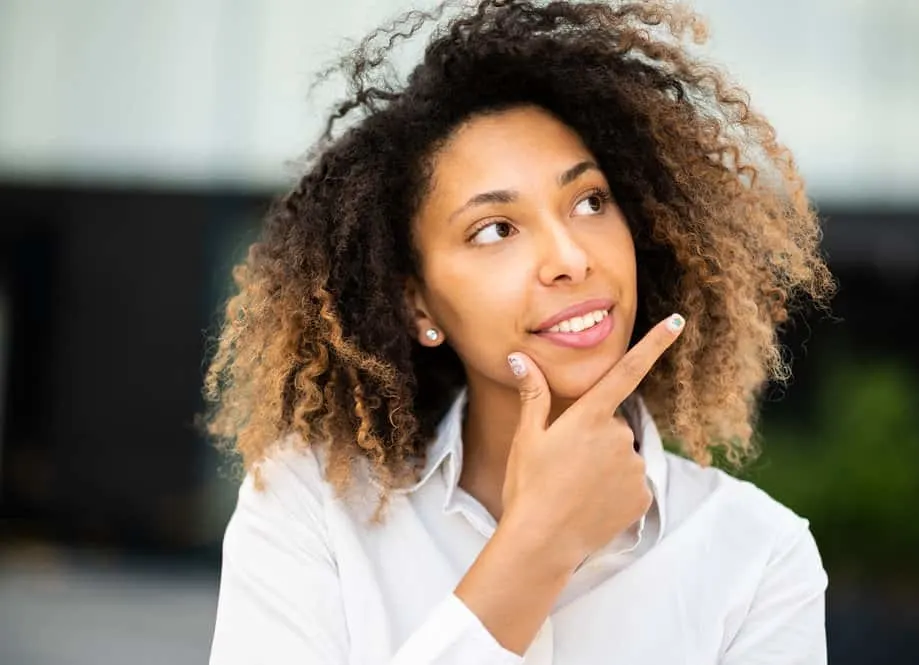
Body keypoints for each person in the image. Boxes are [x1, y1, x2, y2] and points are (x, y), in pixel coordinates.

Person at [203, 1, 835, 663]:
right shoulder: (313, 510)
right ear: (417, 304)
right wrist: (535, 546)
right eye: (495, 230)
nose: (569, 257)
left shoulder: (758, 555)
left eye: (589, 201)